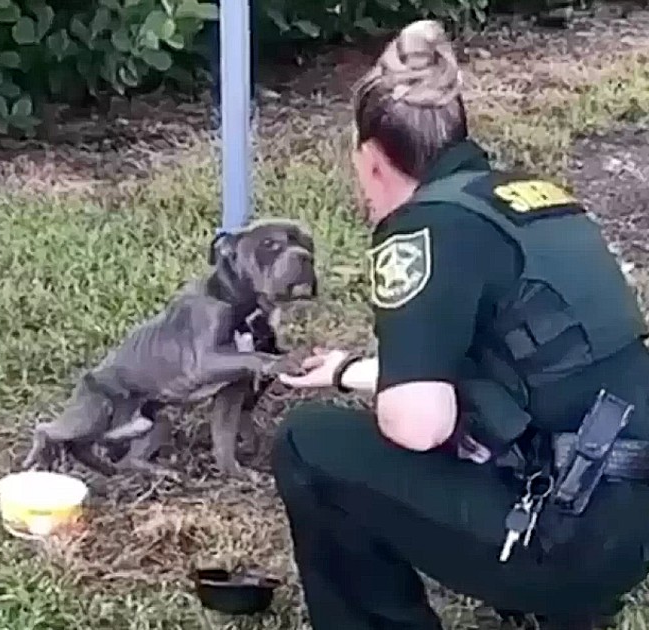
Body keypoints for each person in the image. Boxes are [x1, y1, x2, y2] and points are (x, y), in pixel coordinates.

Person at [269, 19, 649, 630]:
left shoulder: (420, 229)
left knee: (307, 443)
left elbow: (418, 424)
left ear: (371, 160)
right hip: (627, 523)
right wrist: (347, 371)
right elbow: (528, 367)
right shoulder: (536, 198)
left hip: (561, 540)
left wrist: (389, 393)